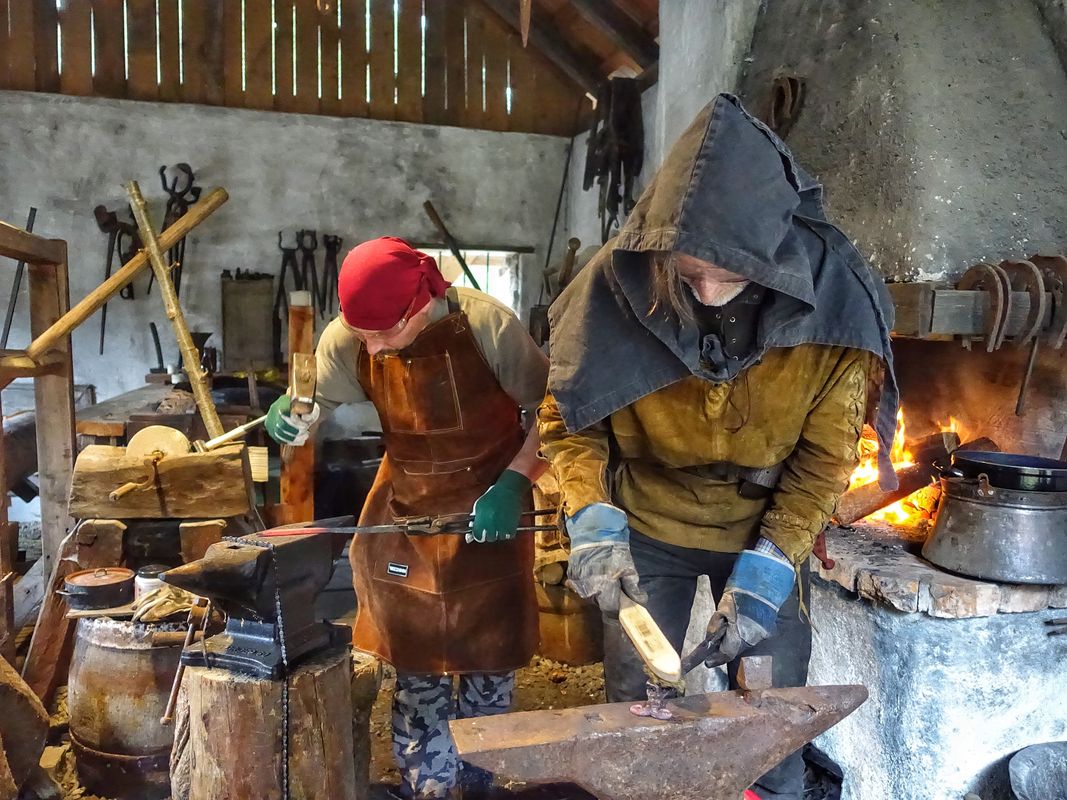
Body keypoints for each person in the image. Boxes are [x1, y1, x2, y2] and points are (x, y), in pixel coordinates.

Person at [537, 94, 898, 800]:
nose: (704, 293)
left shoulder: (836, 302)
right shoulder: (614, 284)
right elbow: (571, 419)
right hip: (648, 525)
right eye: (688, 271)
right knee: (638, 711)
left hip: (764, 528)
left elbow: (825, 460)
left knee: (771, 721)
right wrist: (592, 522)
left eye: (729, 275)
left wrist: (767, 572)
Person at [264, 236, 549, 800]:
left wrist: (515, 483)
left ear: (419, 303)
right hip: (407, 508)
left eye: (385, 332)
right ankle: (428, 787)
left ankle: (482, 782)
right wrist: (293, 411)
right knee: (416, 664)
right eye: (361, 332)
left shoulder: (488, 327)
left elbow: (556, 411)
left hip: (488, 504)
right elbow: (312, 395)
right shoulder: (351, 334)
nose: (372, 345)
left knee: (489, 660)